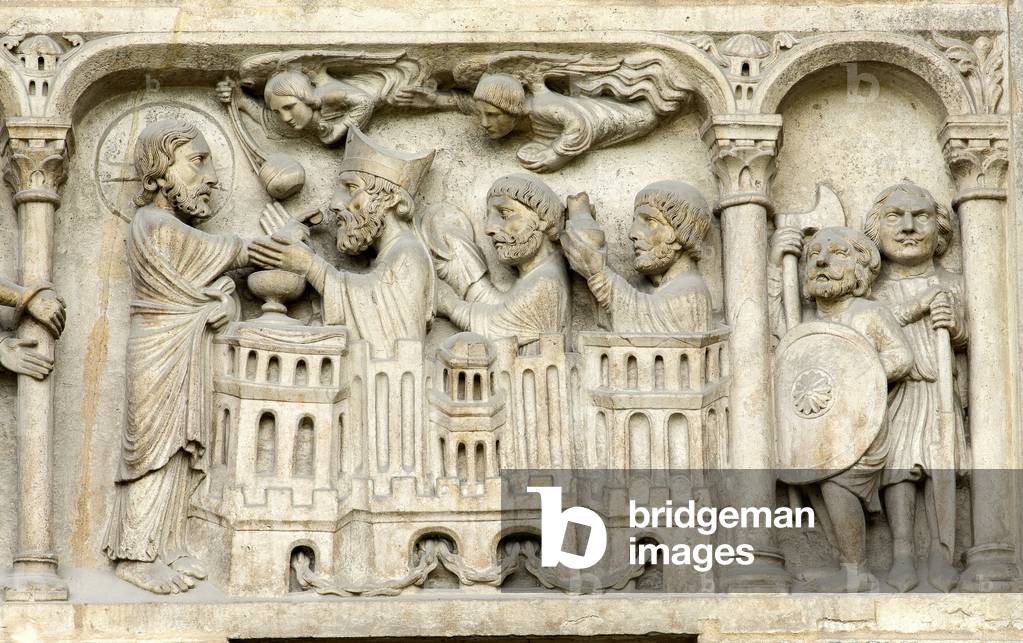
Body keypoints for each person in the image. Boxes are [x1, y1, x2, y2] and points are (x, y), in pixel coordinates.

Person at [103, 120, 255, 594]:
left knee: (176, 454)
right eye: (198, 162)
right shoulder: (154, 223)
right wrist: (282, 238)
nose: (210, 176)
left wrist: (216, 302)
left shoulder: (170, 228)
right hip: (157, 350)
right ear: (160, 171)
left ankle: (165, 544)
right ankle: (133, 554)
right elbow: (232, 252)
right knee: (151, 450)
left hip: (180, 346)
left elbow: (204, 284)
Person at [771, 226, 914, 592]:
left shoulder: (867, 313)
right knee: (819, 491)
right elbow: (782, 345)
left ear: (861, 270)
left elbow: (900, 356)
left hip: (858, 428)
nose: (821, 260)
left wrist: (859, 376)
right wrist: (775, 266)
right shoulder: (805, 323)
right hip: (815, 428)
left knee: (837, 486)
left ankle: (857, 573)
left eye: (837, 253)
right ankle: (845, 564)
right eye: (813, 255)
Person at [250, 126, 436, 357]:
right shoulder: (389, 256)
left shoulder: (408, 252)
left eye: (350, 188)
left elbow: (388, 330)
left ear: (391, 199)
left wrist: (311, 266)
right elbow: (367, 296)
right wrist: (301, 252)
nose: (335, 203)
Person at [864, 181, 967, 592]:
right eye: (895, 217)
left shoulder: (954, 281)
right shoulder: (869, 290)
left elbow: (975, 335)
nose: (908, 227)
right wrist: (918, 306)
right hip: (897, 393)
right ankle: (902, 554)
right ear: (876, 230)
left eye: (920, 216)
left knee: (943, 467)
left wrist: (955, 325)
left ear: (939, 230)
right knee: (897, 473)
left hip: (939, 388)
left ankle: (942, 555)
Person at [433, 173, 569, 349]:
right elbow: (503, 306)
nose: (489, 228)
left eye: (504, 214)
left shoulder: (547, 280)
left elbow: (496, 326)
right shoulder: (535, 274)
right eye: (489, 217)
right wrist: (463, 267)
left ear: (543, 220)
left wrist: (449, 304)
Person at [561, 181, 712, 333]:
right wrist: (587, 243)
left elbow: (646, 322)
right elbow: (619, 311)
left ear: (682, 233)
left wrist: (598, 273)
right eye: (635, 222)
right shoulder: (643, 287)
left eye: (649, 221)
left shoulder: (692, 293)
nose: (632, 234)